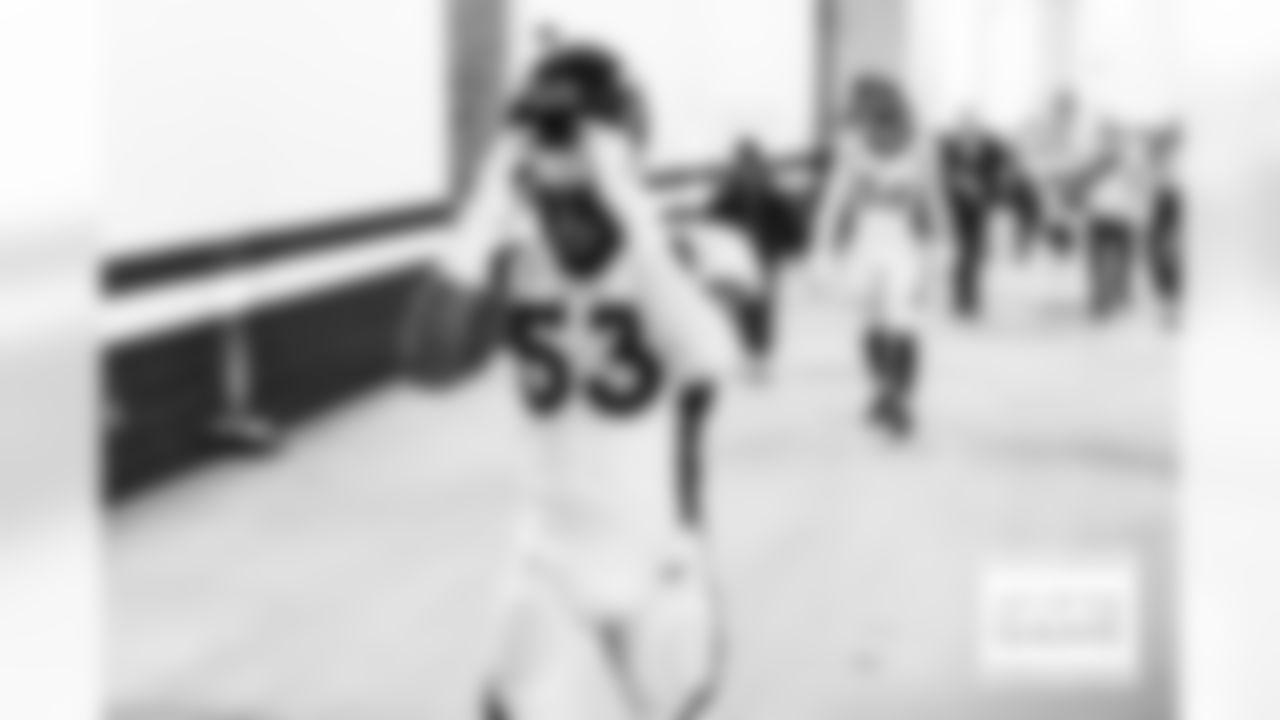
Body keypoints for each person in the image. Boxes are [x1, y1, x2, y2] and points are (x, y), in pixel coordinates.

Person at [433, 43, 743, 720]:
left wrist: (627, 204)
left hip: (658, 556)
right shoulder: (517, 261)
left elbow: (709, 358)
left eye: (579, 130)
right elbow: (427, 362)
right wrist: (486, 203)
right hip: (548, 557)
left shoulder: (685, 252)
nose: (569, 218)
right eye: (548, 132)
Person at [807, 75, 949, 438]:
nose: (881, 129)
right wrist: (822, 250)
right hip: (866, 241)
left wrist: (943, 244)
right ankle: (883, 387)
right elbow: (834, 201)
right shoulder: (853, 146)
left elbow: (933, 198)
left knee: (903, 320)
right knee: (871, 321)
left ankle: (901, 397)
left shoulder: (921, 145)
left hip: (903, 240)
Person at [706, 138, 804, 373]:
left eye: (751, 164)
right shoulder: (727, 200)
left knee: (765, 307)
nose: (747, 171)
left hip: (766, 258)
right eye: (743, 165)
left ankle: (761, 353)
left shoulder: (773, 198)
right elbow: (712, 227)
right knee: (742, 309)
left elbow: (791, 227)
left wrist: (793, 247)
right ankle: (750, 351)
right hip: (736, 262)